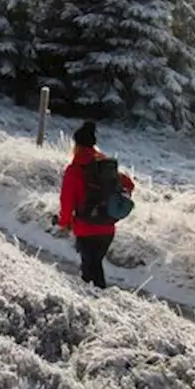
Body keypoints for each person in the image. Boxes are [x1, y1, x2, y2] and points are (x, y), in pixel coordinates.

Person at [55, 120, 135, 290]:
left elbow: (66, 201)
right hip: (108, 227)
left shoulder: (74, 170)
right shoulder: (106, 166)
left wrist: (64, 223)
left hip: (86, 228)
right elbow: (129, 184)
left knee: (90, 273)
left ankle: (98, 305)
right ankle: (97, 301)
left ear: (76, 144)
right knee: (94, 266)